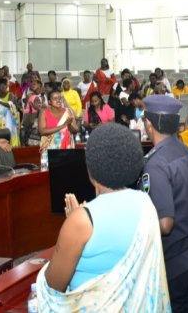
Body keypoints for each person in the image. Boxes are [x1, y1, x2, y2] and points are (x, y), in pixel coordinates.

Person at [36, 123, 170, 311]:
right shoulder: (145, 203)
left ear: (90, 167)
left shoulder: (81, 221)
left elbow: (53, 286)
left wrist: (72, 222)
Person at [139, 95, 188, 312]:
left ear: (149, 124)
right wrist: (185, 210)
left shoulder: (154, 165)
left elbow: (165, 224)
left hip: (170, 262)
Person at [0, 78, 21, 148]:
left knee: (11, 135)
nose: (4, 87)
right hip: (0, 122)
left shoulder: (10, 95)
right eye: (2, 86)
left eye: (5, 86)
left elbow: (9, 105)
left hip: (10, 120)